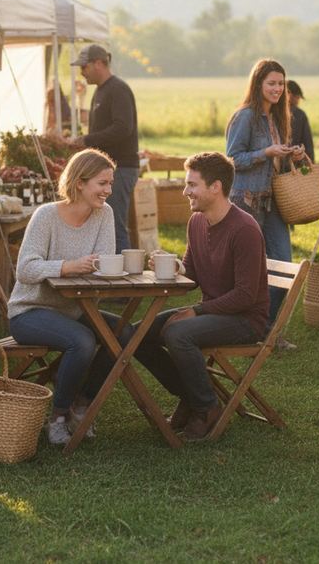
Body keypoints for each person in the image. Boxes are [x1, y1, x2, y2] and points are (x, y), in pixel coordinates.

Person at [127, 152, 269, 441]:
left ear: (215, 187)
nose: (185, 191)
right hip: (215, 311)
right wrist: (175, 266)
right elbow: (191, 271)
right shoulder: (197, 222)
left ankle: (206, 408)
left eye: (192, 184)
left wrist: (197, 312)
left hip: (244, 319)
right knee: (136, 334)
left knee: (179, 333)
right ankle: (192, 396)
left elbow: (245, 295)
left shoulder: (245, 230)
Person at [7, 149, 121, 445]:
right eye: (102, 183)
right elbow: (25, 270)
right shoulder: (46, 216)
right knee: (82, 341)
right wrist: (67, 267)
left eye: (110, 183)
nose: (108, 191)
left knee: (123, 334)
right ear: (79, 183)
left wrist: (97, 265)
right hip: (30, 311)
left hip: (73, 310)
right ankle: (57, 417)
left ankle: (82, 405)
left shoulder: (104, 214)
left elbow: (105, 259)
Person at [225, 59, 304, 332]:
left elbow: (275, 159)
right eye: (271, 83)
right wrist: (266, 153)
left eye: (281, 83)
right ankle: (248, 328)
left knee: (283, 265)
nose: (278, 88)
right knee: (248, 271)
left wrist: (291, 154)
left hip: (273, 202)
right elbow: (232, 159)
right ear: (258, 84)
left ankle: (262, 328)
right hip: (246, 201)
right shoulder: (245, 116)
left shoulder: (278, 117)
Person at [67, 44, 139, 253]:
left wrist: (87, 140)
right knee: (107, 225)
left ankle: (125, 278)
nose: (82, 72)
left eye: (84, 66)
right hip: (108, 170)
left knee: (114, 226)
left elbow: (123, 128)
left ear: (99, 63)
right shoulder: (101, 91)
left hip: (120, 168)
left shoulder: (118, 89)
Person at [287, 79, 315, 160]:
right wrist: (311, 161)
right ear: (290, 95)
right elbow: (308, 142)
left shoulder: (272, 112)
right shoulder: (300, 114)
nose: (298, 101)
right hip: (297, 161)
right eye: (297, 97)